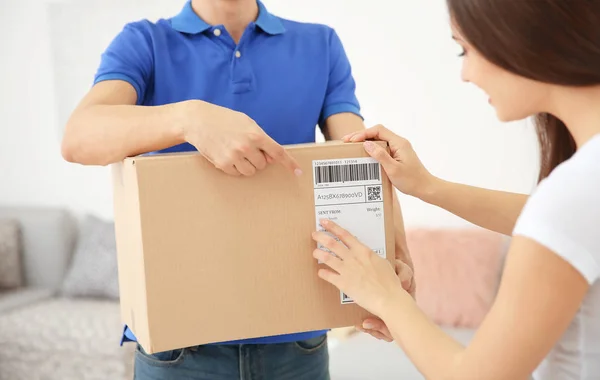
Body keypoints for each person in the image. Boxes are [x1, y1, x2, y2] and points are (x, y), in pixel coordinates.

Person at [61, 0, 415, 379]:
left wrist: (398, 254)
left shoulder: (320, 44)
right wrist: (188, 118)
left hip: (296, 344)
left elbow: (361, 157)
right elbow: (79, 138)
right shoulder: (145, 41)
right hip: (179, 347)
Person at [311, 0, 600, 379]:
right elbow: (557, 221)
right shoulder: (580, 186)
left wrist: (385, 296)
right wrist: (427, 187)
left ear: (522, 34)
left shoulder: (573, 190)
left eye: (465, 49)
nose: (465, 74)